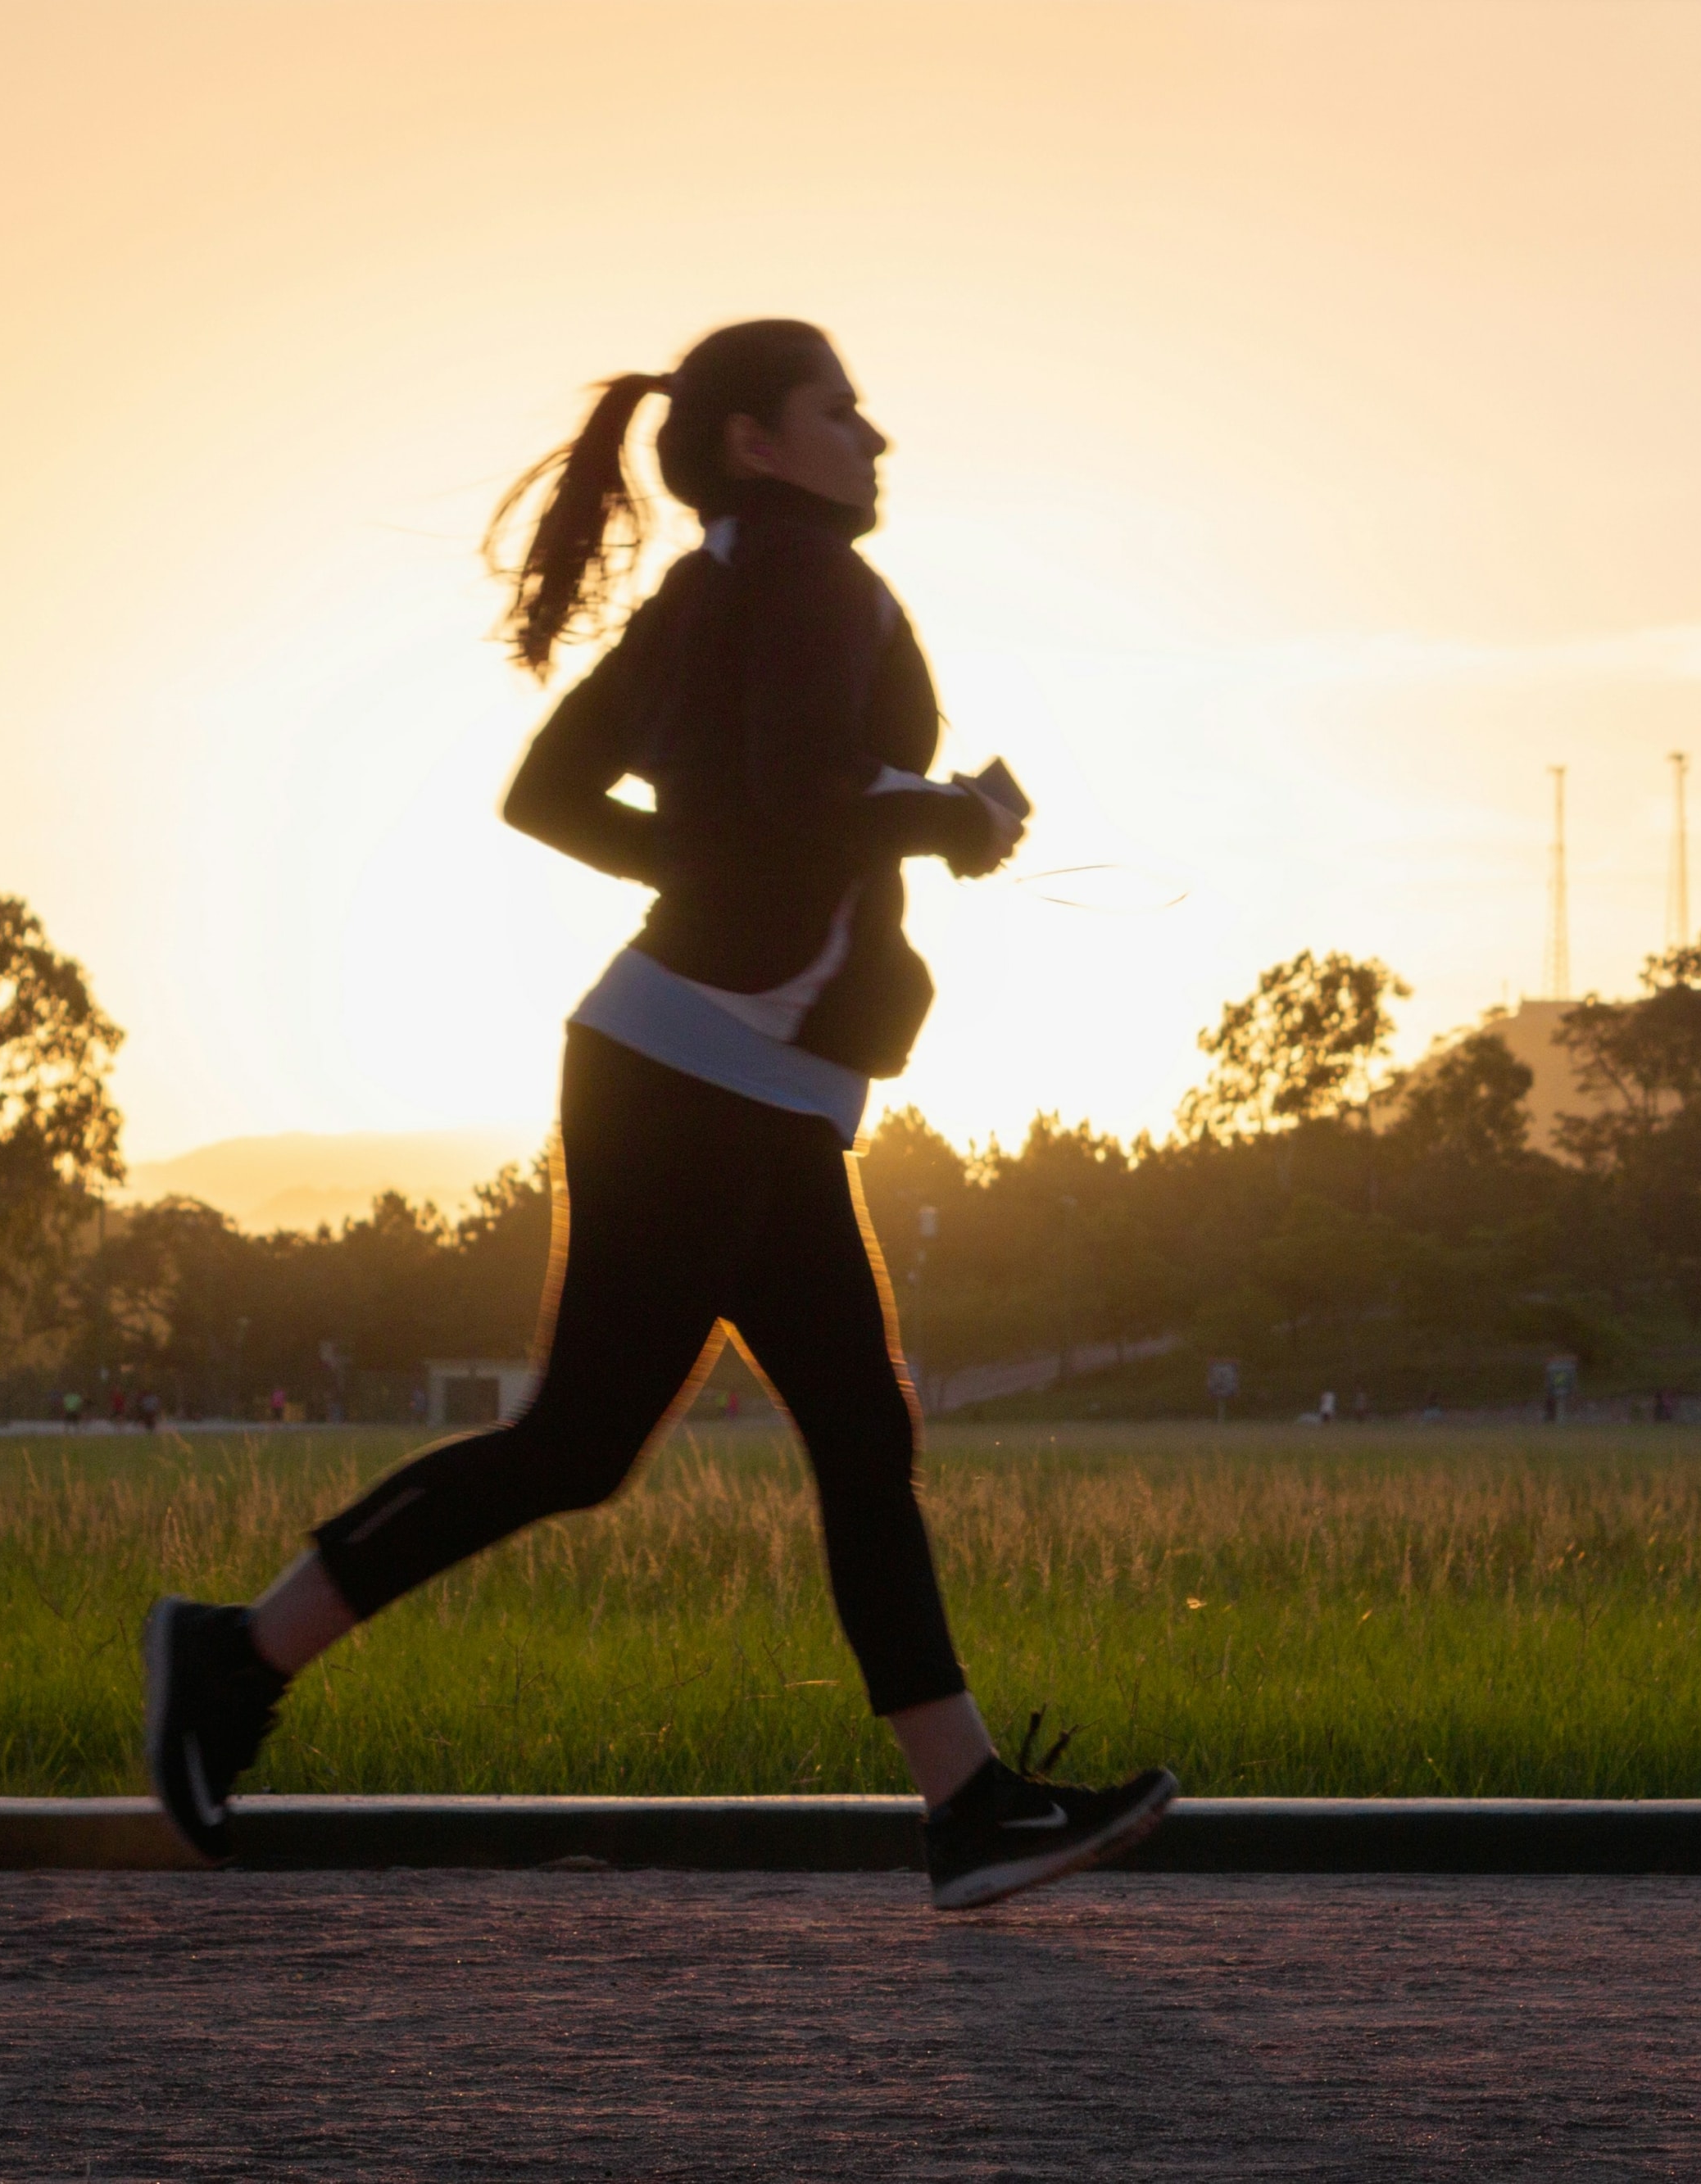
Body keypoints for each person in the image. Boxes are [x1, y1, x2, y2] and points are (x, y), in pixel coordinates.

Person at [143, 323, 1174, 1909]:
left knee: (850, 1427)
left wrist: (717, 876)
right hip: (694, 1072)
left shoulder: (711, 590)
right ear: (760, 440)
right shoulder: (807, 585)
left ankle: (965, 1803)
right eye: (842, 409)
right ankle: (232, 1654)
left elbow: (552, 794)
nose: (874, 436)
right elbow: (786, 796)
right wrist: (953, 817)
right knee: (588, 1441)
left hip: (721, 1069)